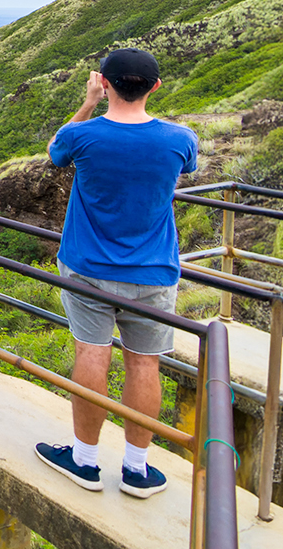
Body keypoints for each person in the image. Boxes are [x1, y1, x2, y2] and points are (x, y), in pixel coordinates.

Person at [34, 47, 198, 499]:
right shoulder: (181, 139)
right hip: (154, 271)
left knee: (92, 354)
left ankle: (84, 461)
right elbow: (186, 168)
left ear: (103, 83)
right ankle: (136, 469)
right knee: (145, 364)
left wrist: (88, 103)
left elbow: (55, 151)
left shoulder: (83, 137)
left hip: (88, 268)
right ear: (155, 86)